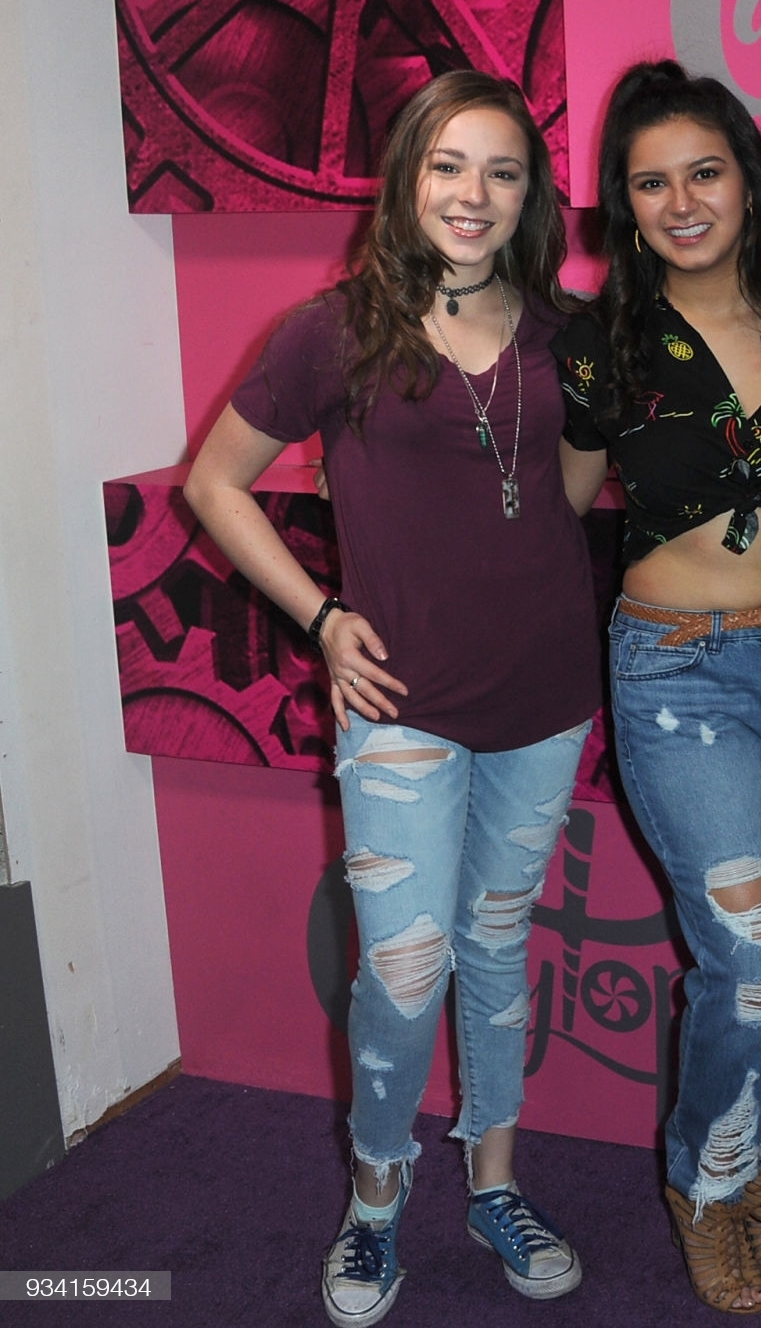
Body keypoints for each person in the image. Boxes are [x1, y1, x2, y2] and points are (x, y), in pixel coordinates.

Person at [185, 71, 599, 1327]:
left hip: (545, 694)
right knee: (404, 971)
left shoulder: (566, 331)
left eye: (502, 171)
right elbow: (214, 484)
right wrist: (321, 618)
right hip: (401, 704)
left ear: (530, 196)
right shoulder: (332, 330)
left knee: (496, 946)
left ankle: (494, 1183)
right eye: (448, 165)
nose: (474, 194)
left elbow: (567, 494)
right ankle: (375, 1199)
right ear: (408, 177)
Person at [553, 61, 761, 1316]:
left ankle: (760, 1163)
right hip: (681, 675)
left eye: (704, 172)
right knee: (749, 958)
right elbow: (558, 508)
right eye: (650, 182)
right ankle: (702, 1176)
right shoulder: (598, 345)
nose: (681, 201)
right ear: (623, 205)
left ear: (748, 181)